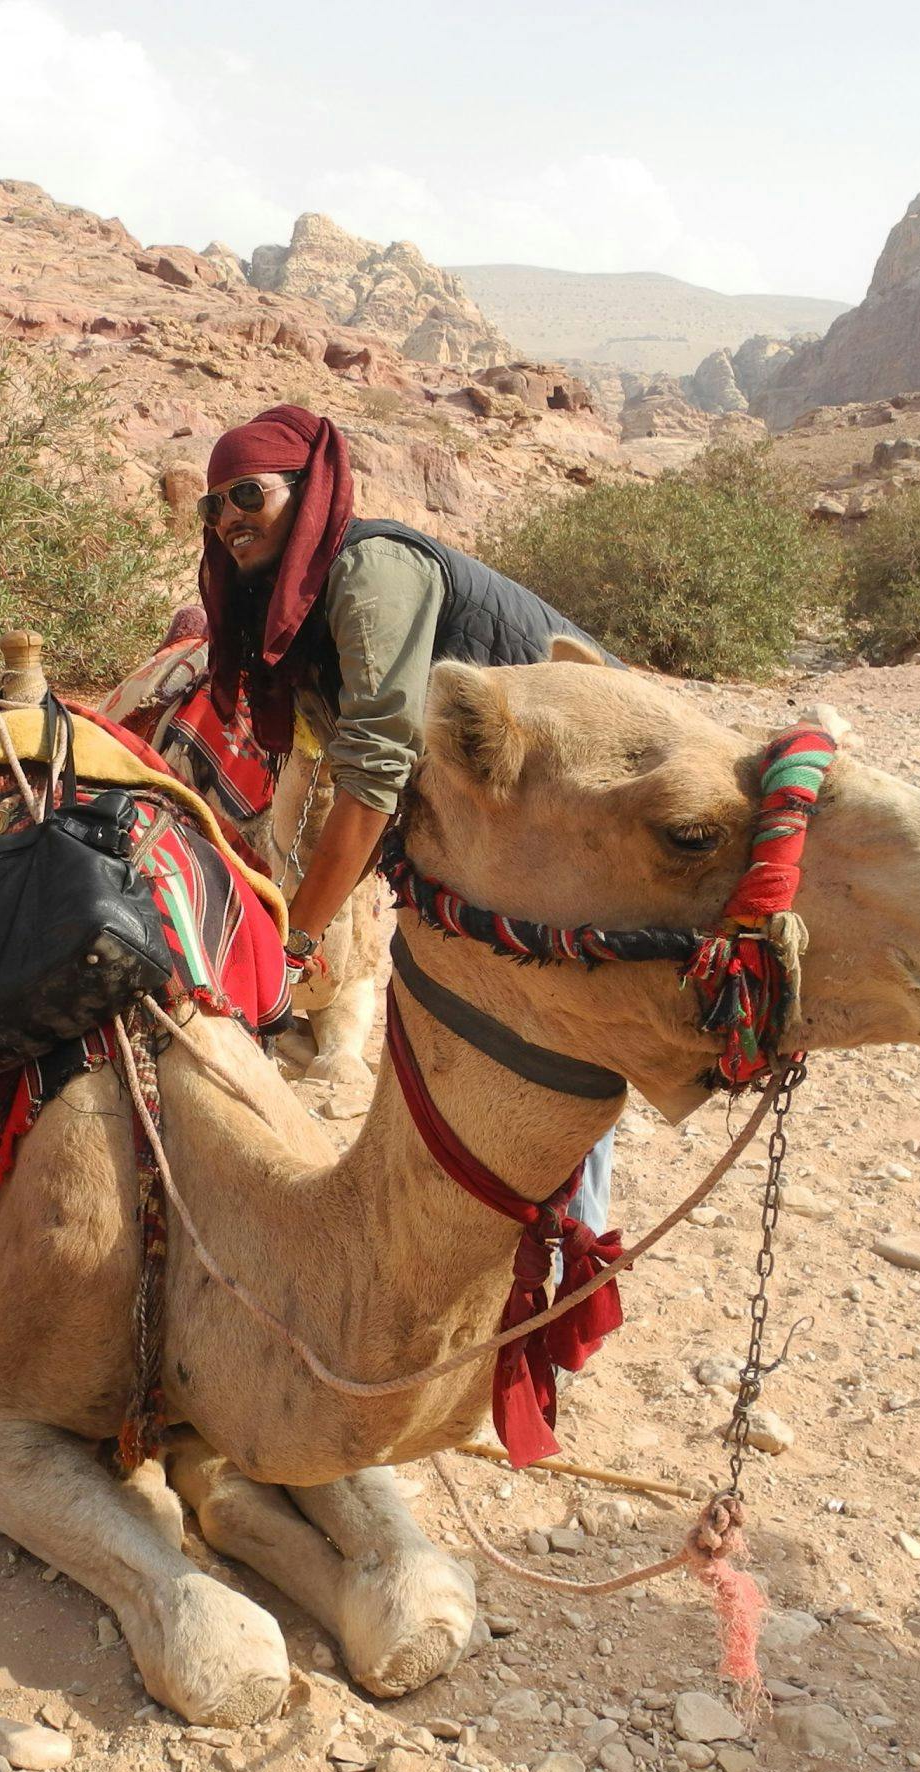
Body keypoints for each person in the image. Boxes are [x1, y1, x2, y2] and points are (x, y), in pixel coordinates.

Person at [196, 403, 618, 1212]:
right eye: (212, 507)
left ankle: (568, 1257)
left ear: (306, 489)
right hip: (496, 811)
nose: (226, 521)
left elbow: (377, 762)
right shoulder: (293, 595)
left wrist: (297, 940)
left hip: (574, 798)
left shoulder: (370, 568)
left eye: (247, 495)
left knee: (551, 1022)